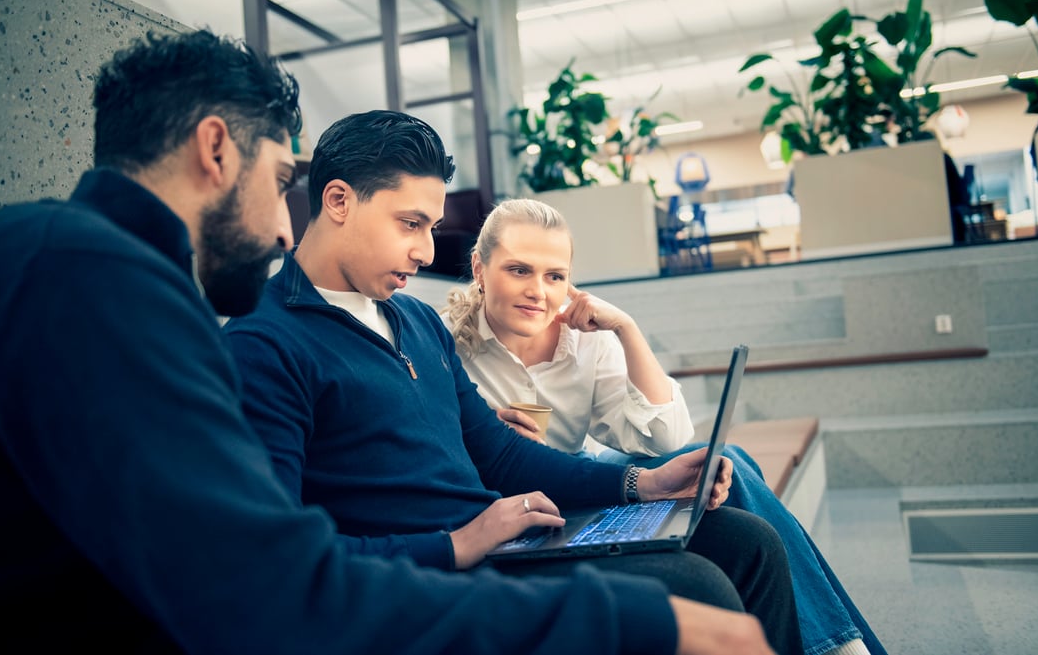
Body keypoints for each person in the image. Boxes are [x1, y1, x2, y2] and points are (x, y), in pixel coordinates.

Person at [0, 30, 770, 655]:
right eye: (280, 179)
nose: (284, 226)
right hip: (398, 580)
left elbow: (237, 563)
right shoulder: (100, 282)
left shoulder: (58, 262)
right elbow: (271, 586)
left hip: (419, 567)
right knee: (692, 589)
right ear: (216, 149)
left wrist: (635, 483)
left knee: (737, 534)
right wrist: (611, 613)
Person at [223, 109, 804, 655]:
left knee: (748, 545)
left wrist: (641, 484)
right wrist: (455, 544)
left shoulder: (416, 321)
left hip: (507, 539)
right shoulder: (267, 343)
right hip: (440, 572)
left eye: (431, 227)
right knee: (694, 585)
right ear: (338, 201)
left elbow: (500, 457)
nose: (425, 251)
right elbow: (274, 557)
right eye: (411, 224)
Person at [441, 198, 888, 655]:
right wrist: (480, 429)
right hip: (522, 506)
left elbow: (666, 440)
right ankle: (842, 646)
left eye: (555, 276)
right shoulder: (444, 342)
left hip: (584, 475)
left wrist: (627, 330)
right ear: (479, 267)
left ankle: (838, 647)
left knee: (723, 462)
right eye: (519, 270)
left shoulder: (584, 340)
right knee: (731, 472)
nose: (539, 290)